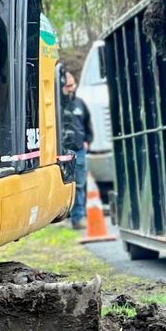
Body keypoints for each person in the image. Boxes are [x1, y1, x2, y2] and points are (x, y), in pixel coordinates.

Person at [59, 63, 92, 228]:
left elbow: (87, 123)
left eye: (72, 85)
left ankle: (78, 218)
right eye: (67, 86)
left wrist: (87, 141)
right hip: (61, 152)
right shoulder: (56, 104)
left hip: (78, 150)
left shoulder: (80, 103)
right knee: (62, 185)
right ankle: (62, 215)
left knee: (79, 184)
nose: (71, 88)